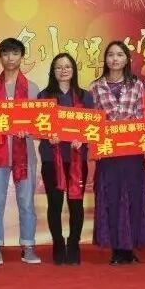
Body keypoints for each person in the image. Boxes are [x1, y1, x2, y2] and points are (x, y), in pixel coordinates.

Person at [89, 41, 145, 265]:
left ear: (127, 59)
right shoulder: (95, 86)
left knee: (133, 199)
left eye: (119, 55)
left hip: (132, 152)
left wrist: (138, 136)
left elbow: (143, 116)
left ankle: (130, 247)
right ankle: (116, 249)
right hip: (108, 153)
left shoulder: (137, 85)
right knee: (112, 199)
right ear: (105, 59)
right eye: (111, 55)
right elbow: (93, 120)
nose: (115, 59)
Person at [0, 38, 41, 264]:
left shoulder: (33, 88)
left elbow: (40, 124)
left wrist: (29, 129)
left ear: (22, 56)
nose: (10, 58)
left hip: (25, 153)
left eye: (15, 53)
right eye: (6, 54)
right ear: (0, 57)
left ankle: (28, 246)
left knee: (26, 202)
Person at [39, 53, 94, 265]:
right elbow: (38, 127)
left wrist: (83, 138)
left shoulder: (84, 96)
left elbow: (92, 127)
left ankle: (74, 244)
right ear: (53, 71)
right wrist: (47, 135)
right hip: (51, 159)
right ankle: (58, 244)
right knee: (54, 204)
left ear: (74, 70)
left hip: (76, 159)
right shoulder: (44, 96)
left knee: (76, 204)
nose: (63, 70)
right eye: (59, 67)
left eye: (68, 67)